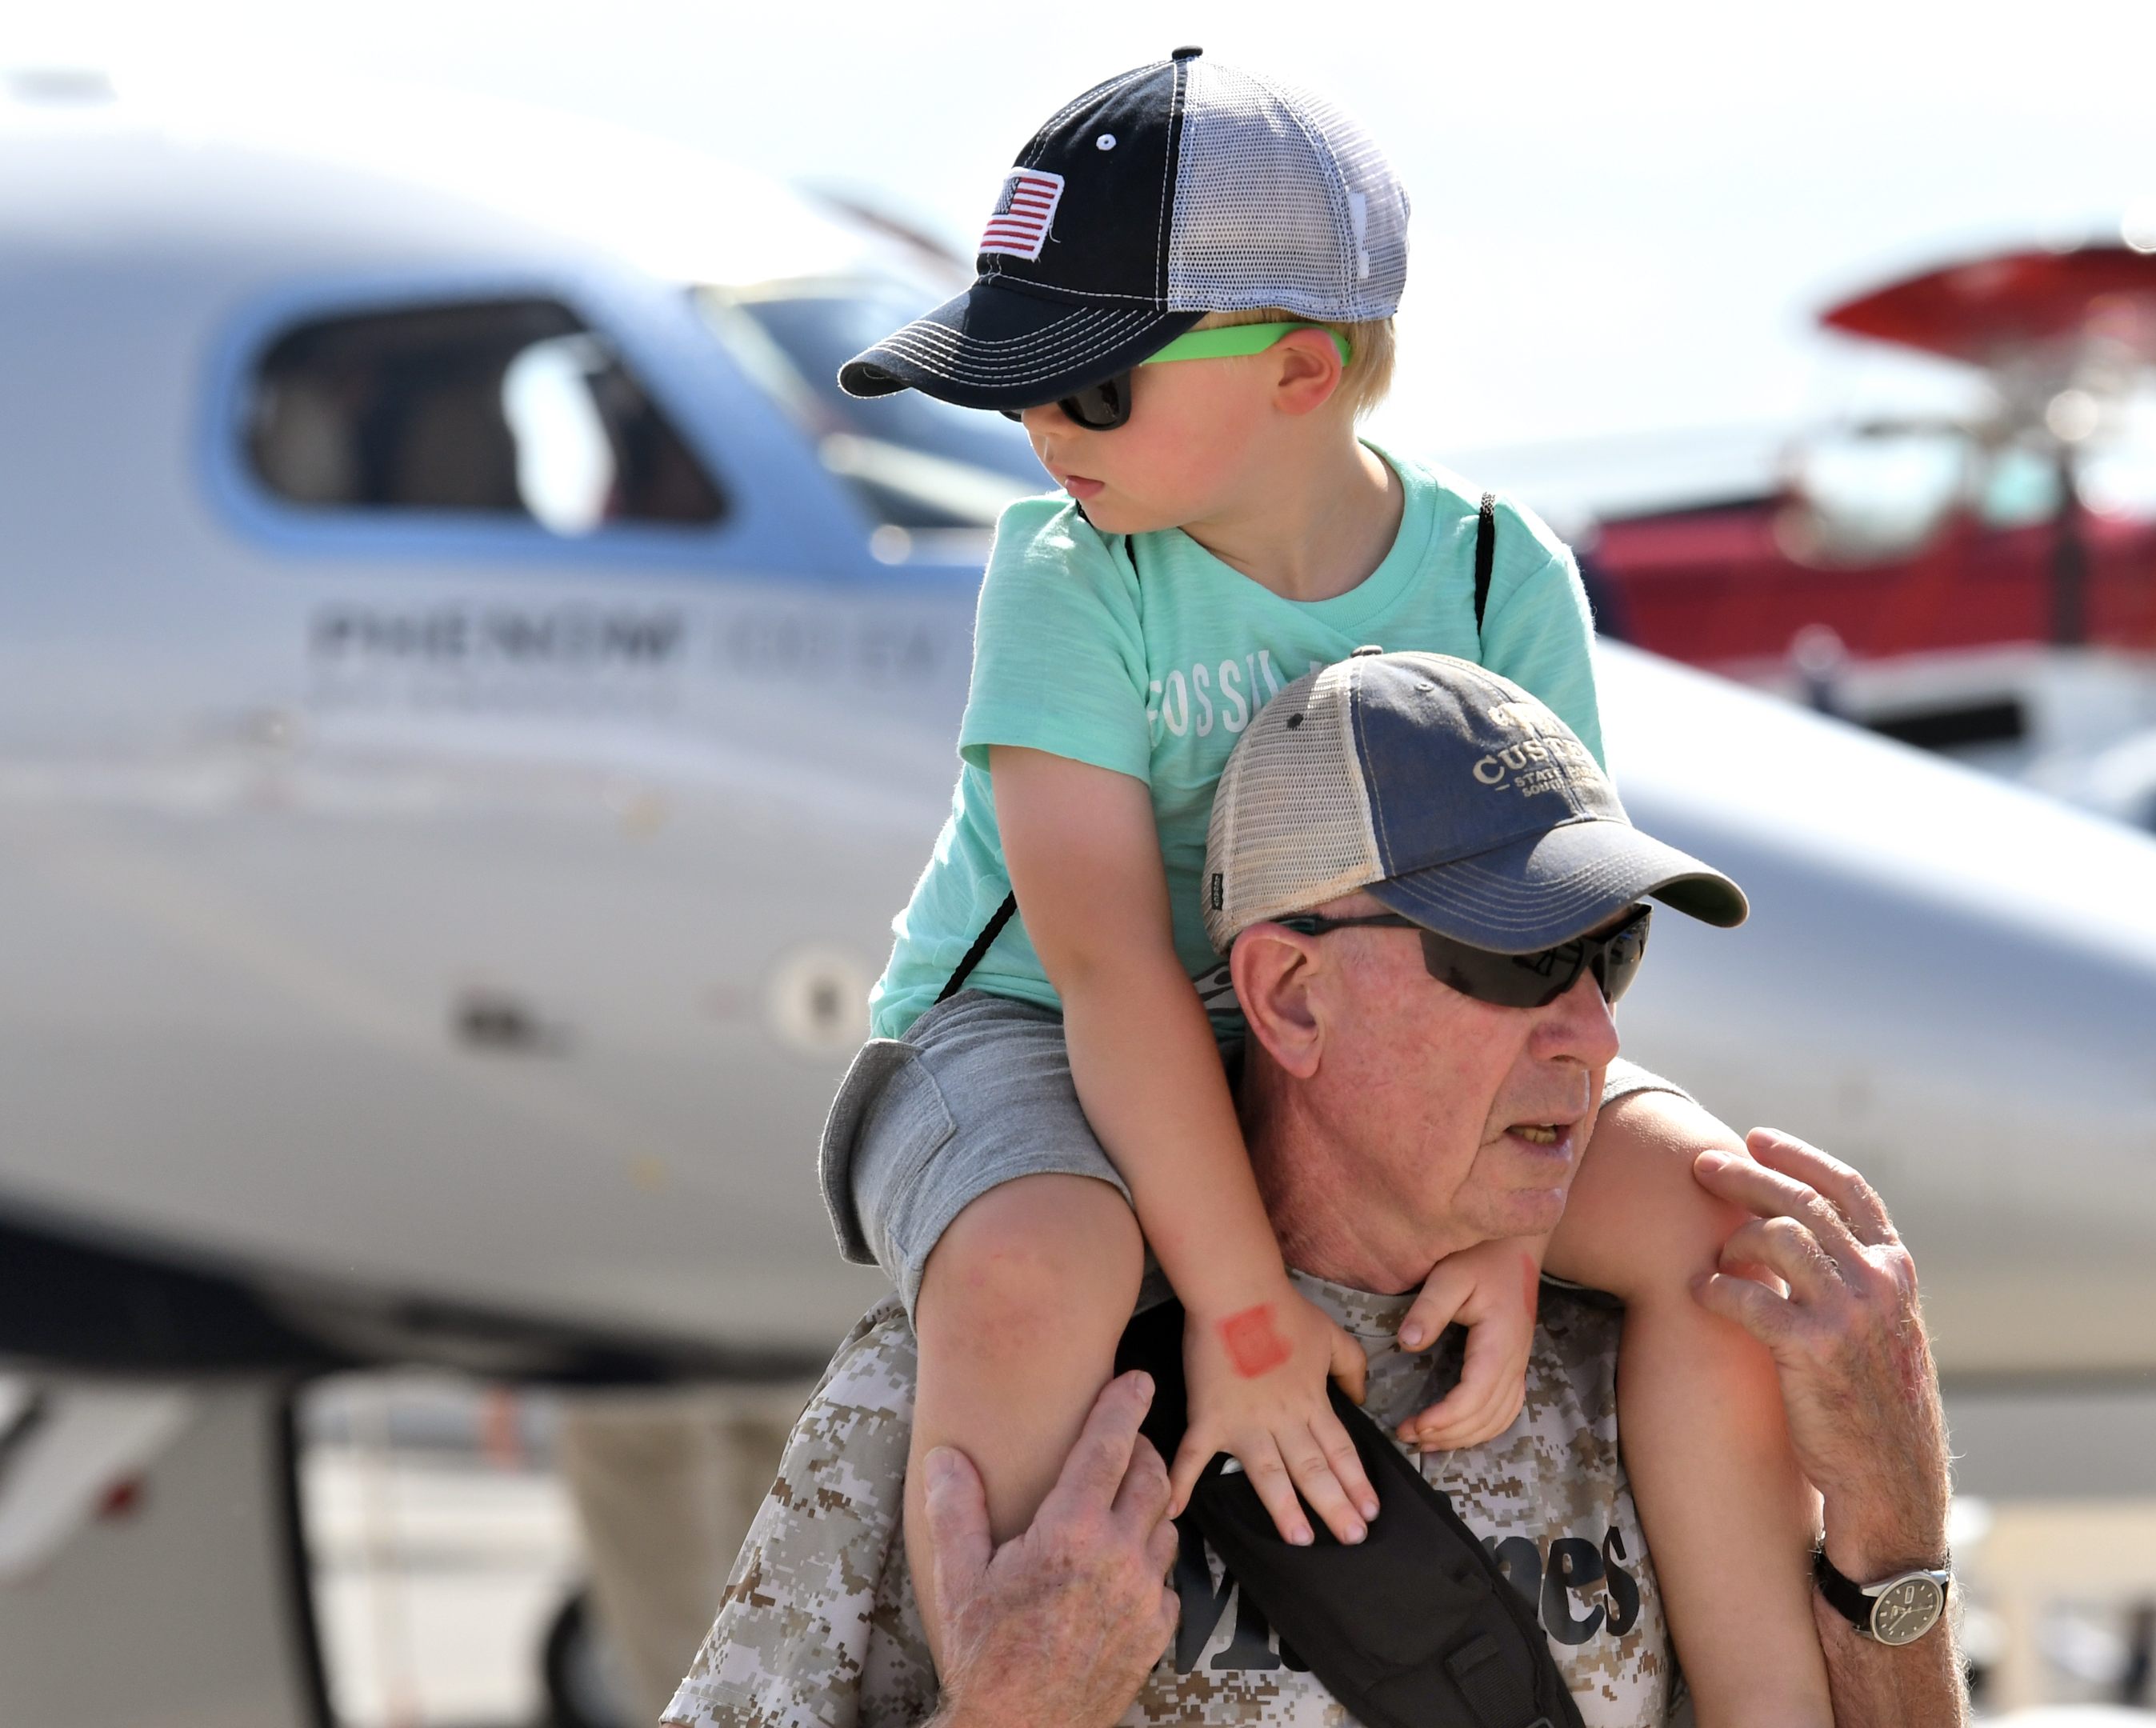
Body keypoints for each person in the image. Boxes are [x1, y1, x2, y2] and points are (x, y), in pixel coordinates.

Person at [817, 50, 1826, 1723]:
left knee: (1720, 1226)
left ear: (1299, 370)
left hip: (1375, 1044)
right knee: (1033, 1271)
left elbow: (1557, 921)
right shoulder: (1070, 583)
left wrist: (1508, 1222)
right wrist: (1248, 1314)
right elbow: (1109, 972)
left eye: (1090, 386)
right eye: (1017, 384)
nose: (1039, 428)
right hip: (1025, 1027)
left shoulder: (1498, 569)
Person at [669, 654, 1965, 1728]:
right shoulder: (976, 1377)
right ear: (1292, 996)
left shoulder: (1654, 1366)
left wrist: (1895, 1516)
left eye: (1606, 953)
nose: (1593, 1036)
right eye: (1513, 960)